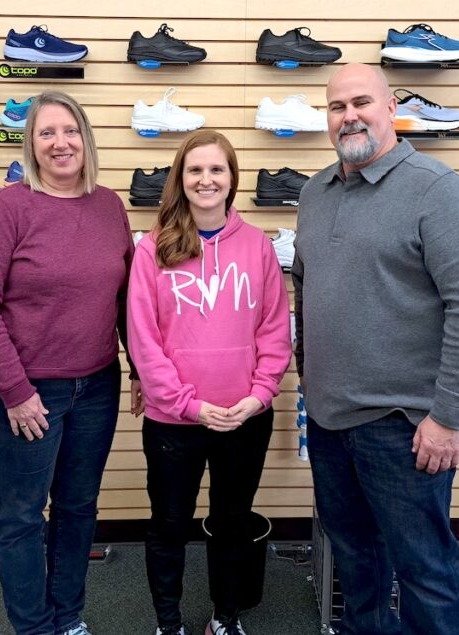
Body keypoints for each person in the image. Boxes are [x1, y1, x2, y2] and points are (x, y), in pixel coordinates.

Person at [293, 63, 459, 634]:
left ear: (390, 109)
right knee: (357, 563)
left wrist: (449, 416)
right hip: (331, 422)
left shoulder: (437, 190)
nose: (349, 115)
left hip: (405, 426)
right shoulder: (314, 192)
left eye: (361, 102)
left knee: (423, 570)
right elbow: (306, 292)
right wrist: (309, 380)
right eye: (337, 107)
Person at [0, 90, 138, 635]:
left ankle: (69, 620)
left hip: (96, 388)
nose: (61, 143)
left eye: (70, 131)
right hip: (29, 392)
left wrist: (139, 370)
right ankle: (35, 628)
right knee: (20, 515)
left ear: (86, 138)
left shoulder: (110, 206)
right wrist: (14, 391)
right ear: (31, 145)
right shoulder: (8, 208)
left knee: (79, 509)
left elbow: (126, 300)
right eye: (46, 133)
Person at [127, 130, 292, 635]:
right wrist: (187, 405)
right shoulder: (152, 248)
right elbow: (143, 339)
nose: (206, 180)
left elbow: (274, 328)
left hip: (244, 417)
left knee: (231, 524)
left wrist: (259, 395)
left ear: (231, 179)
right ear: (180, 179)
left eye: (216, 170)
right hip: (175, 420)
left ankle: (225, 618)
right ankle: (169, 622)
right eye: (195, 170)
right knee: (169, 526)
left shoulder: (257, 246)